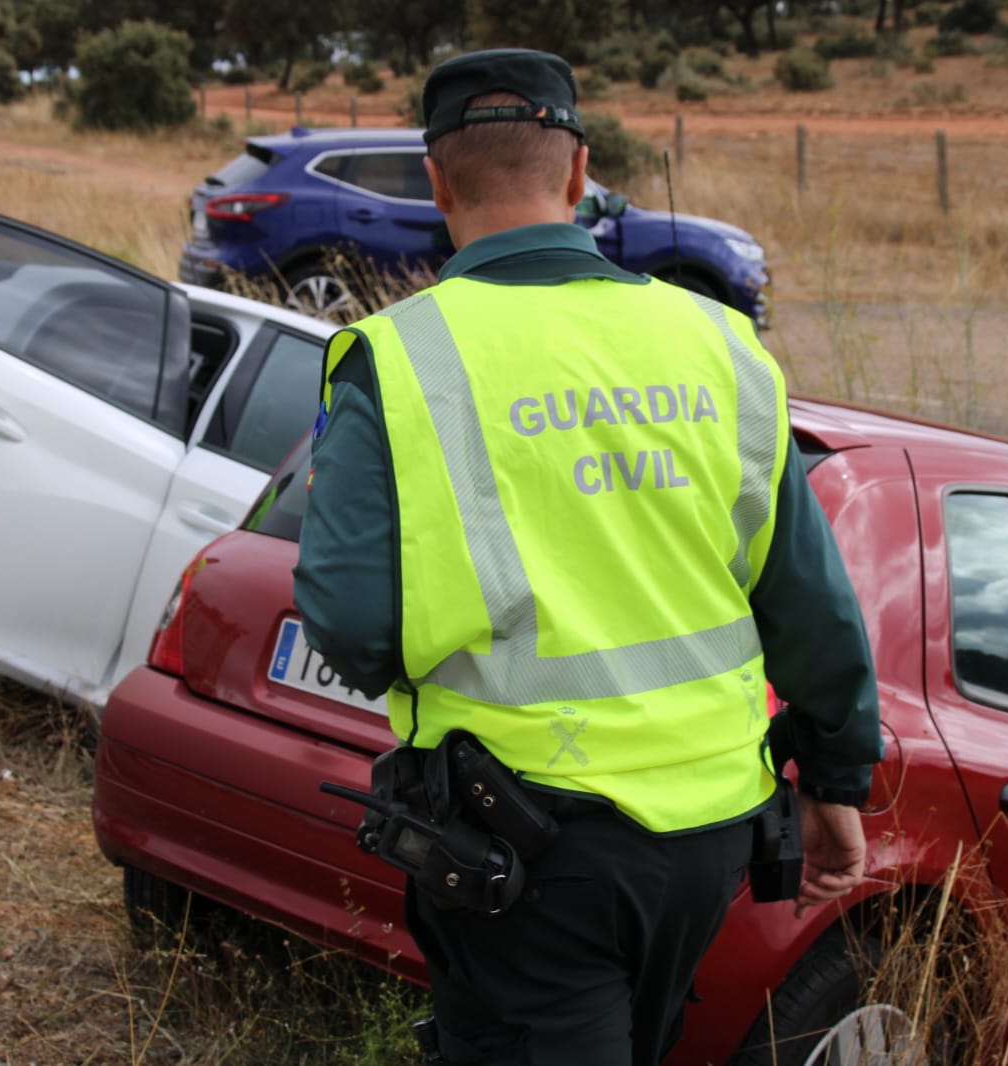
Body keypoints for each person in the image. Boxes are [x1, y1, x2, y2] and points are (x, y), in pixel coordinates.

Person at [294, 48, 881, 1065]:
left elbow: (345, 618)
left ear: (436, 182)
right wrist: (835, 771)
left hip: (520, 840)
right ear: (578, 174)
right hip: (708, 837)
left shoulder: (400, 360)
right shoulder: (719, 344)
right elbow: (807, 595)